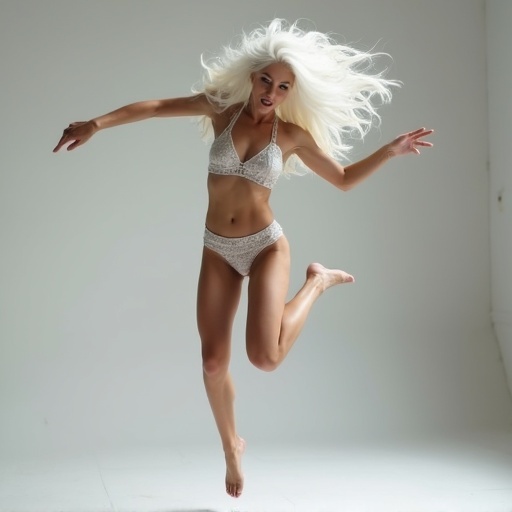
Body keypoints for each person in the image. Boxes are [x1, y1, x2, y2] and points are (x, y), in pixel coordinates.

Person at [53, 19, 433, 499]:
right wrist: (96, 124)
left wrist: (391, 151)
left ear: (292, 93)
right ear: (253, 78)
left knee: (265, 357)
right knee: (213, 363)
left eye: (283, 87)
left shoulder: (291, 136)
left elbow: (341, 179)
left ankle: (316, 282)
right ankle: (232, 446)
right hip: (218, 248)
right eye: (266, 81)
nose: (272, 92)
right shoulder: (221, 111)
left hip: (266, 246)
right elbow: (152, 107)